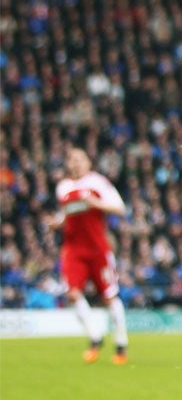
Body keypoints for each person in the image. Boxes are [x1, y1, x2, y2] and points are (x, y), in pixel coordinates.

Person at [45, 147, 130, 365]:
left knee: (109, 297)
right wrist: (57, 222)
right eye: (72, 160)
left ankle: (121, 345)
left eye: (80, 159)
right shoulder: (63, 187)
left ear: (88, 162)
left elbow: (120, 208)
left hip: (97, 248)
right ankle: (95, 336)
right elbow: (67, 214)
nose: (76, 163)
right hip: (73, 249)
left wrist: (97, 204)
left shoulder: (98, 182)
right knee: (72, 293)